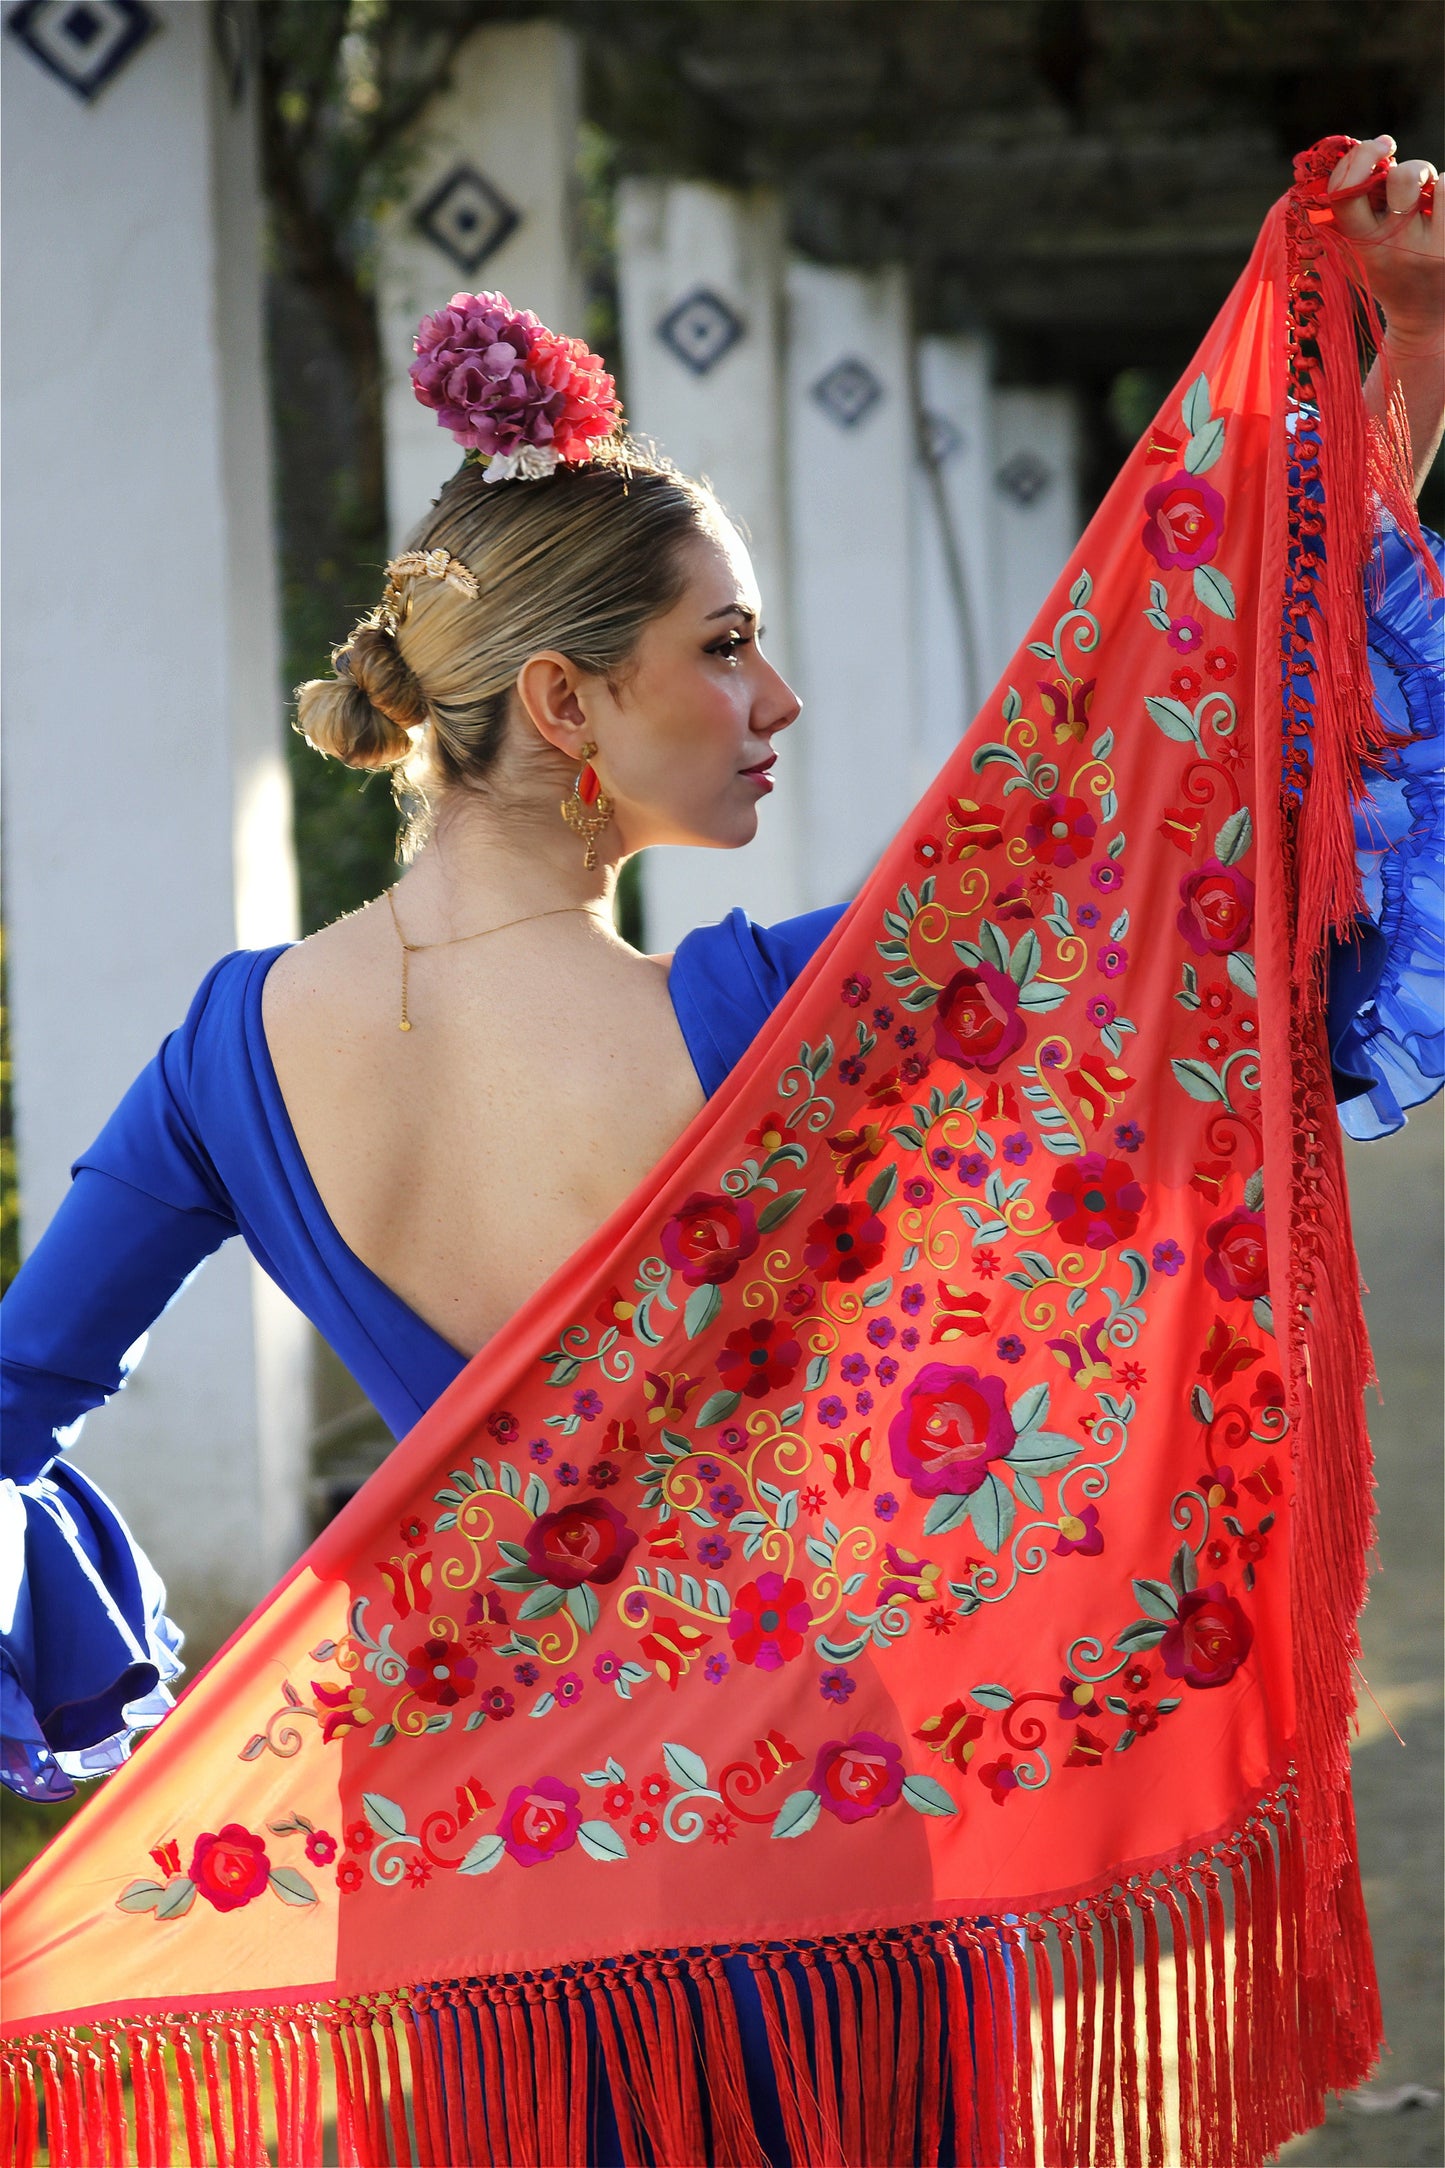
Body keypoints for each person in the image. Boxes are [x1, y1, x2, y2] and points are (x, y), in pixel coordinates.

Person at [0, 133, 1440, 2168]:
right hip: (801, 1871)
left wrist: (97, 1670)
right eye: (722, 648)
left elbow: (4, 1407)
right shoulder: (776, 1018)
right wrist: (1406, 352)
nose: (777, 696)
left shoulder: (230, 1050)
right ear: (571, 700)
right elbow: (1235, 816)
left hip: (455, 1895)